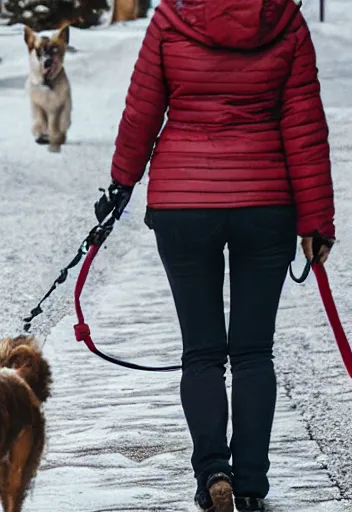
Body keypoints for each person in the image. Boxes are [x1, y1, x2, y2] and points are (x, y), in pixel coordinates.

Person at [99, 0, 336, 511]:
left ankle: (214, 473)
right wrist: (316, 220)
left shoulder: (170, 18)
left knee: (202, 352)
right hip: (266, 201)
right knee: (253, 352)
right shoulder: (286, 19)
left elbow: (142, 109)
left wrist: (121, 183)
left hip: (184, 203)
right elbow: (304, 123)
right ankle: (249, 483)